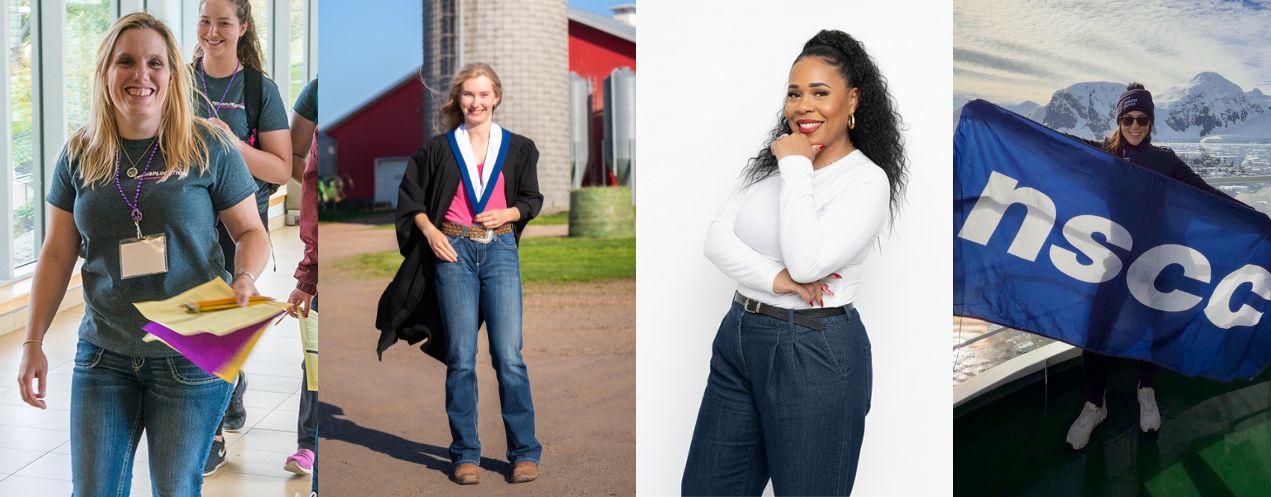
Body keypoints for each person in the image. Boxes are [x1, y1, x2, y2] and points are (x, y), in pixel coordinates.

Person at [14, 13, 268, 496]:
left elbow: (251, 231)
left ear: (172, 74)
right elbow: (56, 253)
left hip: (191, 351)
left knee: (174, 488)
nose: (141, 75)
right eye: (126, 61)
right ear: (105, 71)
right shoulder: (79, 153)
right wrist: (32, 342)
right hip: (103, 353)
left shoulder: (208, 145)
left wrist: (245, 276)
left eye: (155, 63)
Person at [682, 29, 907, 496]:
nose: (804, 106)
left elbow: (807, 262)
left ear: (852, 100)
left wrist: (797, 166)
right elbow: (716, 239)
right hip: (739, 336)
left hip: (812, 349)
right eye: (794, 93)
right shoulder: (776, 170)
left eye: (820, 93)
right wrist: (775, 278)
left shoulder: (865, 181)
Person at [376, 62, 544, 485]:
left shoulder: (519, 147)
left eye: (484, 94)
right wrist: (431, 233)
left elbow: (532, 199)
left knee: (508, 356)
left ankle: (524, 451)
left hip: (500, 250)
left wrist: (509, 212)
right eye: (469, 94)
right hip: (453, 253)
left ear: (496, 97)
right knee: (461, 357)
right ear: (458, 99)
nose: (476, 102)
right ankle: (465, 454)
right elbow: (411, 201)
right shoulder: (437, 149)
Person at [1063, 83, 1254, 450]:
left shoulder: (1165, 160)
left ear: (1151, 122)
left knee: (1152, 330)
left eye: (1142, 119)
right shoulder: (1104, 154)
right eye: (1128, 119)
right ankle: (1095, 404)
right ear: (1118, 121)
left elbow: (1206, 194)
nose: (1135, 126)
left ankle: (1146, 390)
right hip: (1113, 260)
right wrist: (1004, 122)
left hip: (1156, 259)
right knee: (1095, 332)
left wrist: (1253, 216)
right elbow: (1055, 145)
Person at [191, 0, 292, 474]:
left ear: (243, 27)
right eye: (204, 21)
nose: (212, 31)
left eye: (223, 23)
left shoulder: (258, 89)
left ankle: (220, 407)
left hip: (240, 221)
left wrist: (231, 145)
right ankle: (214, 419)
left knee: (223, 316)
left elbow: (281, 170)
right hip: (188, 219)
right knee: (201, 320)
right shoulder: (176, 80)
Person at [285, 75, 319, 491]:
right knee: (316, 354)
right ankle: (308, 442)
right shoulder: (317, 91)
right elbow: (298, 162)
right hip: (323, 256)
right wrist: (308, 276)